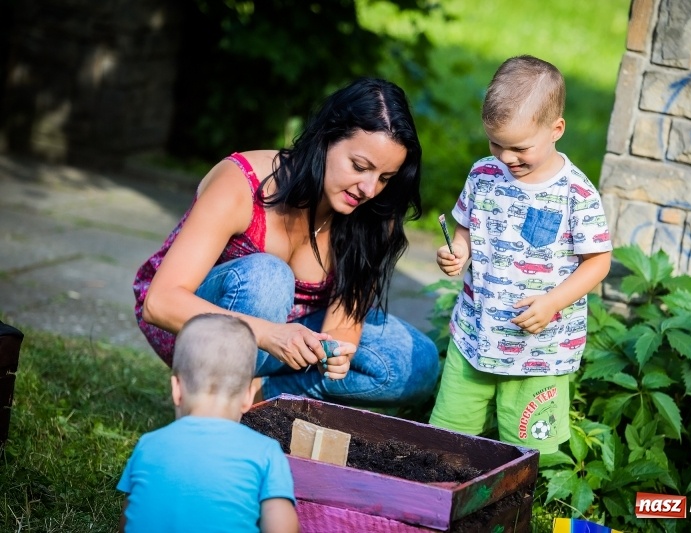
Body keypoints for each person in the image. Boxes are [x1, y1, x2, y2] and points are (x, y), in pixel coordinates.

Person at [133, 77, 439, 406]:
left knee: (416, 361)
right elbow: (159, 303)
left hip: (288, 342)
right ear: (325, 139)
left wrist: (335, 355)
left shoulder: (374, 212)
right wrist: (269, 334)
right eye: (359, 166)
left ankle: (259, 399)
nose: (369, 189)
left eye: (384, 177)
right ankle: (212, 403)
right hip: (196, 327)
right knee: (269, 276)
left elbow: (342, 325)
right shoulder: (242, 182)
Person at [429, 55, 612, 454]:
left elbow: (598, 262)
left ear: (556, 129)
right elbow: (467, 226)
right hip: (476, 334)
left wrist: (552, 302)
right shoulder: (484, 175)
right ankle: (444, 483)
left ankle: (521, 488)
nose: (506, 157)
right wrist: (458, 250)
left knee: (530, 451)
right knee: (446, 439)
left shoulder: (576, 193)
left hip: (539, 349)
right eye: (496, 143)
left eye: (520, 147)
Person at [117, 313, 299, 533]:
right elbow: (281, 527)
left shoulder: (147, 445)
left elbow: (128, 520)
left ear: (176, 389)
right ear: (248, 397)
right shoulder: (266, 453)